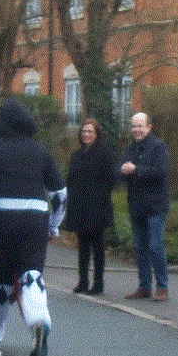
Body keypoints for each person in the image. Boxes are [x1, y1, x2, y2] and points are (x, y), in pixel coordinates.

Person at [0, 98, 65, 356]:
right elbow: (60, 195)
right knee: (32, 274)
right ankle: (39, 322)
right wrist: (53, 224)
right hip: (35, 219)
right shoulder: (40, 151)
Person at [121, 112, 170, 301]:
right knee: (140, 248)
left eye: (140, 126)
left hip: (156, 205)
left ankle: (162, 287)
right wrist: (123, 171)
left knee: (156, 247)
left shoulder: (159, 147)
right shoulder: (130, 148)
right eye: (134, 126)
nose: (137, 130)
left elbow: (160, 172)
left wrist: (136, 170)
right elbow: (122, 169)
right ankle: (144, 286)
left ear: (149, 127)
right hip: (136, 205)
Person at [64, 118, 116, 296]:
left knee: (98, 246)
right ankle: (83, 281)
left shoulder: (104, 153)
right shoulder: (76, 154)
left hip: (97, 207)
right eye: (84, 132)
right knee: (83, 246)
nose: (86, 135)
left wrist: (99, 195)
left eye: (90, 132)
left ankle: (98, 282)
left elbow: (110, 180)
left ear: (97, 134)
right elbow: (71, 178)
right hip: (79, 205)